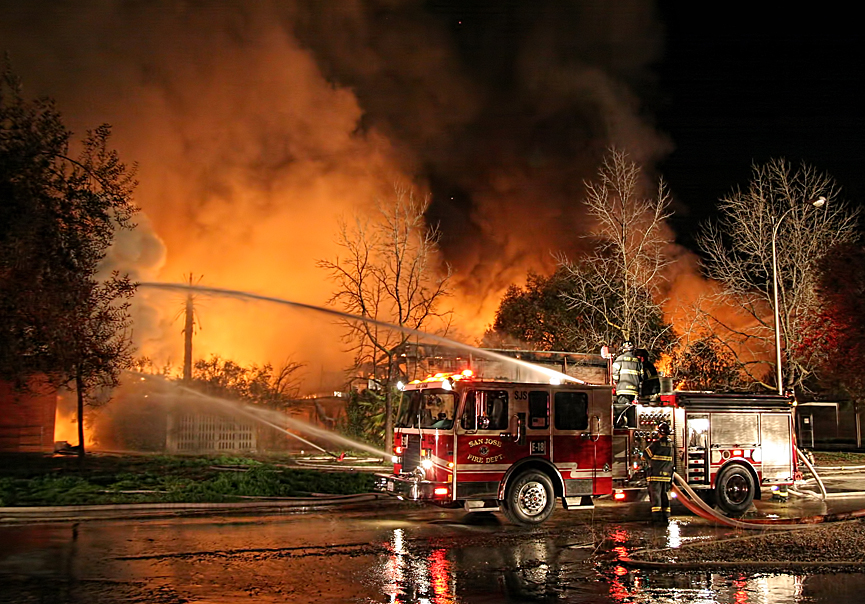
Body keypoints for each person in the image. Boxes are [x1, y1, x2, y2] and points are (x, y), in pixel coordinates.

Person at [643, 421, 674, 524]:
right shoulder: (671, 445)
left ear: (660, 433)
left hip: (655, 475)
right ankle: (666, 517)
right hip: (666, 475)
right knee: (664, 496)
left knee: (655, 497)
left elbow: (645, 455)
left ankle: (657, 519)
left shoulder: (656, 444)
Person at [612, 341, 641, 427]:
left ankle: (619, 426)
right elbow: (641, 375)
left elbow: (614, 373)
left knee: (621, 411)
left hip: (623, 389)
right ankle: (632, 427)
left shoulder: (620, 359)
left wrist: (616, 381)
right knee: (631, 410)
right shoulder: (637, 361)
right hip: (634, 391)